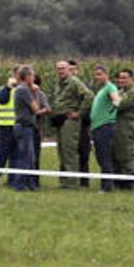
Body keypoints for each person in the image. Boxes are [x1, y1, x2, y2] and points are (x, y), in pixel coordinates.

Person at [51, 60, 93, 189]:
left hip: (70, 120)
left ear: (69, 69)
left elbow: (89, 96)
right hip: (60, 119)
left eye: (63, 68)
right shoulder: (59, 84)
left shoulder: (74, 82)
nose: (61, 71)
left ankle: (72, 182)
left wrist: (79, 113)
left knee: (70, 151)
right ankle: (64, 181)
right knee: (62, 151)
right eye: (58, 69)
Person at [12, 65, 46, 192]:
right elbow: (36, 108)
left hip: (25, 127)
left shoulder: (22, 89)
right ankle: (19, 185)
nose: (34, 78)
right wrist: (36, 92)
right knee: (26, 157)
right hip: (24, 127)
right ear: (27, 77)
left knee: (29, 157)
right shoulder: (23, 90)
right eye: (32, 75)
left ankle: (30, 184)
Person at [89, 65, 121, 193]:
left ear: (106, 74)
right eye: (96, 74)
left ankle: (107, 187)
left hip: (105, 126)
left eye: (100, 74)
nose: (97, 77)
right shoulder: (101, 89)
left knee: (104, 156)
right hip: (97, 127)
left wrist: (115, 104)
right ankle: (107, 184)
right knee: (101, 156)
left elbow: (116, 99)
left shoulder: (110, 87)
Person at [114, 69, 134, 191]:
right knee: (116, 152)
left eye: (124, 78)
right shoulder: (119, 91)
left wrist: (113, 100)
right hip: (116, 124)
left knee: (125, 153)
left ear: (131, 79)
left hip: (126, 125)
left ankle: (128, 182)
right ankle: (118, 181)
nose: (121, 80)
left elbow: (120, 105)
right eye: (120, 78)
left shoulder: (133, 93)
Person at [68, 59, 94, 187]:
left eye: (74, 69)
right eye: (69, 69)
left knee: (84, 152)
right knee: (69, 153)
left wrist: (80, 113)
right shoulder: (63, 86)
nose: (72, 72)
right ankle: (70, 180)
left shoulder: (82, 86)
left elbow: (90, 99)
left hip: (82, 123)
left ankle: (84, 180)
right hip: (68, 124)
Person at [32, 73, 52, 187]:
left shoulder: (41, 95)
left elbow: (48, 109)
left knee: (35, 156)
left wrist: (39, 112)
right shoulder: (22, 92)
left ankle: (35, 181)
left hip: (36, 129)